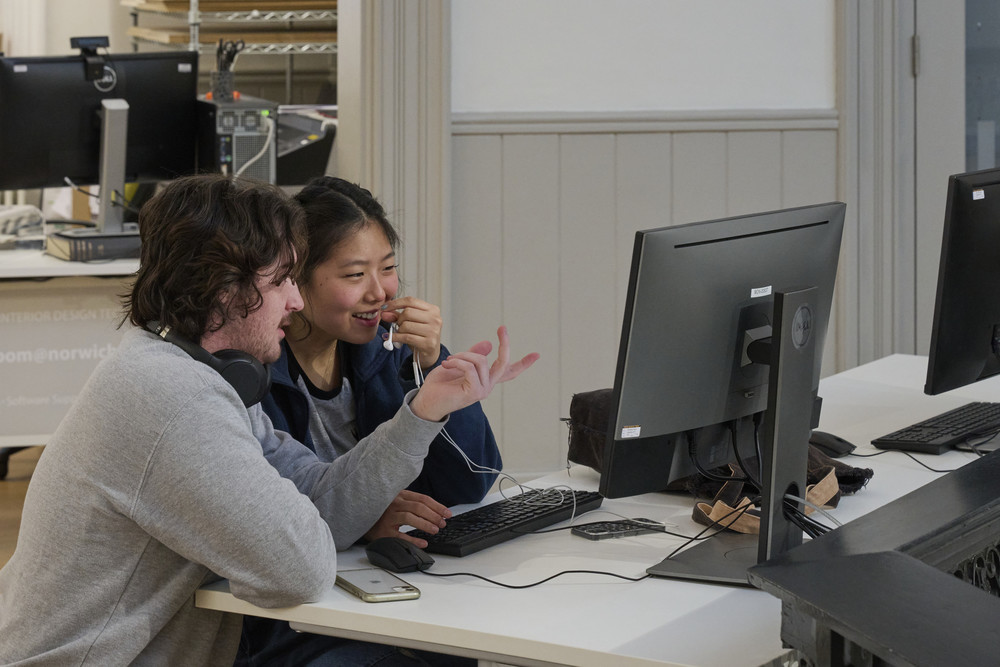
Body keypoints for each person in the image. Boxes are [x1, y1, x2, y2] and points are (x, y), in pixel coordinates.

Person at [0, 174, 537, 665]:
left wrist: (423, 411)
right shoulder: (173, 397)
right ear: (227, 289)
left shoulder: (194, 371)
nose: (295, 300)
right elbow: (297, 572)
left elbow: (322, 493)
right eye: (283, 279)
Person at [236, 177, 509, 665]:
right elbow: (269, 514)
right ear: (296, 280)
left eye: (388, 269)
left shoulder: (385, 354)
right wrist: (362, 520)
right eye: (354, 274)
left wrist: (429, 367)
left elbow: (472, 482)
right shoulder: (254, 369)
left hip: (381, 588)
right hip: (297, 613)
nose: (379, 292)